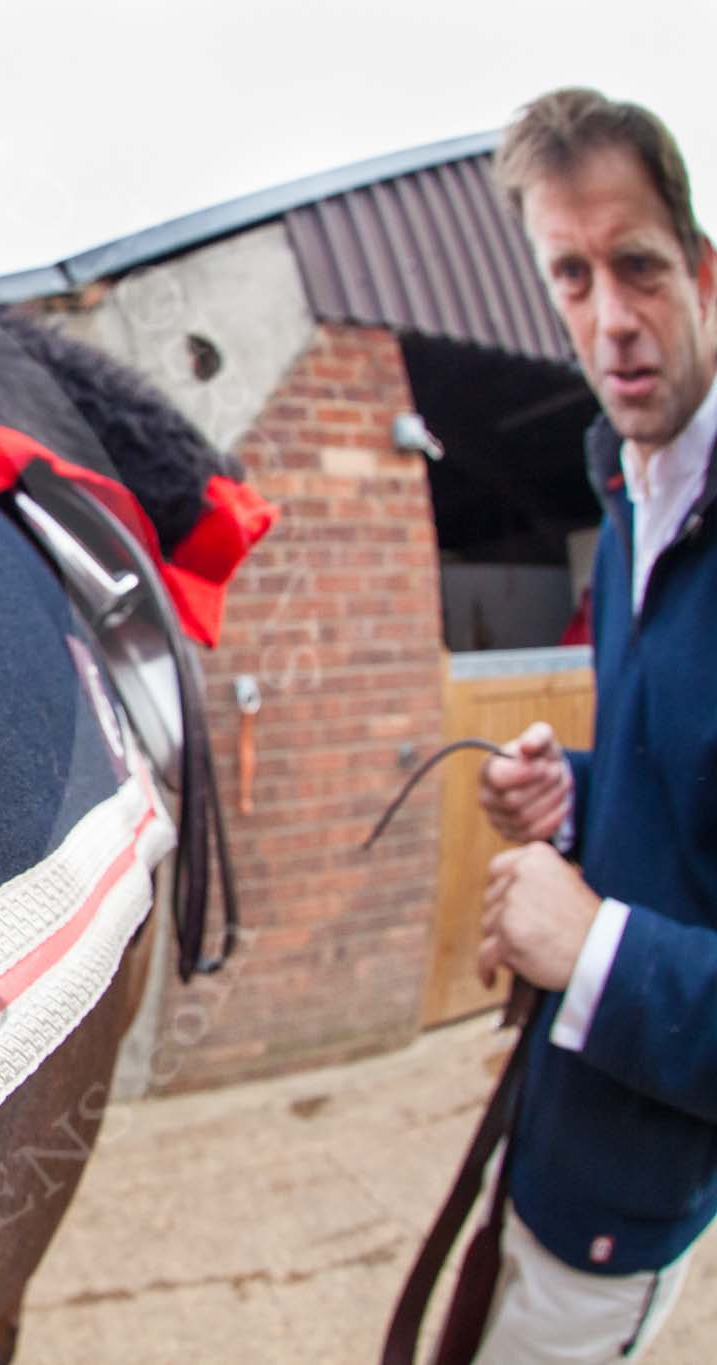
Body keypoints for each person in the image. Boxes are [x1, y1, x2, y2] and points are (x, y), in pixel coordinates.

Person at [475, 87, 717, 1362]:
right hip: (556, 1114)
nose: (608, 320)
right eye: (570, 276)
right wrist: (569, 791)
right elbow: (683, 793)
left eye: (635, 266)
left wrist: (593, 951)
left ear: (704, 272)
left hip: (631, 1189)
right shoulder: (628, 499)